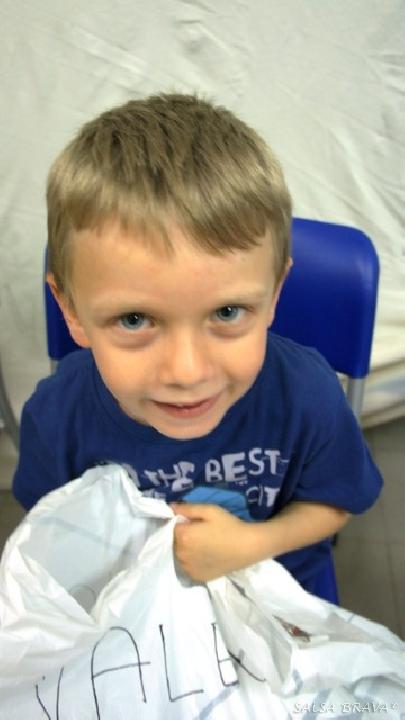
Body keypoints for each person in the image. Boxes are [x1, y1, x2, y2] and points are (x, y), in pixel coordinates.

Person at [13, 93, 382, 600]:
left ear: (275, 294)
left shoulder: (309, 395)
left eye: (227, 312)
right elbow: (52, 529)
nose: (187, 373)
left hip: (276, 594)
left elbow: (336, 502)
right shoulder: (57, 416)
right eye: (134, 320)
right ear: (71, 311)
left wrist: (251, 544)